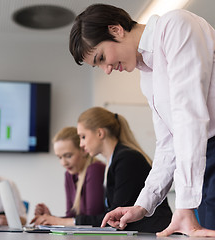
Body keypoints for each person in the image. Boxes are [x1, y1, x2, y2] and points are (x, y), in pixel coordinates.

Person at [69, 3, 215, 237]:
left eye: (102, 57)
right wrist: (143, 205)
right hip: (205, 157)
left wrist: (185, 205)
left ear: (116, 30)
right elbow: (168, 143)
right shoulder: (147, 74)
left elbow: (190, 117)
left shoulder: (174, 26)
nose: (106, 69)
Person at [77, 107, 172, 232]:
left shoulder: (126, 159)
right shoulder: (114, 160)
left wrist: (71, 221)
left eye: (83, 137)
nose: (81, 144)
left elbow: (115, 215)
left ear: (100, 133)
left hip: (153, 233)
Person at [31, 126, 105, 226]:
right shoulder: (69, 175)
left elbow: (92, 219)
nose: (63, 163)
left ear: (83, 150)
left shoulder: (95, 169)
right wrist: (50, 218)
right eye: (59, 157)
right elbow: (72, 216)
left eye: (68, 156)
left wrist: (55, 220)